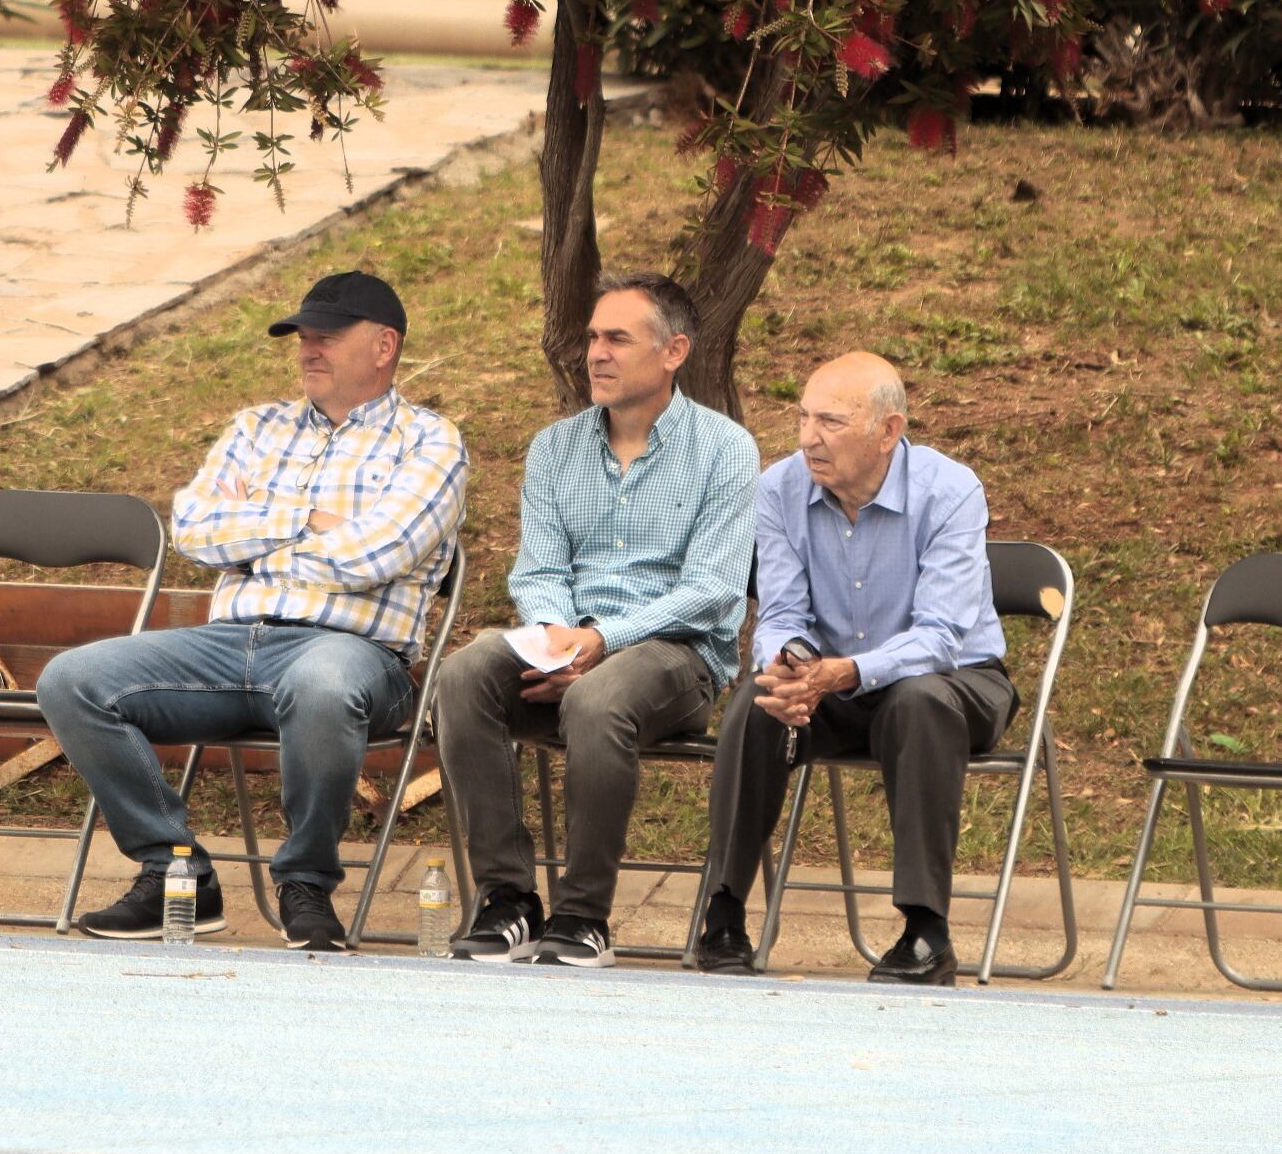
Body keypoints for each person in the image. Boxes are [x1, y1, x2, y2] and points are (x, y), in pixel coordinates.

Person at [36, 271, 467, 948]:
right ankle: (176, 872)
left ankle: (305, 882)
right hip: (228, 643)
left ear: (384, 346)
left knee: (321, 684)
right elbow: (197, 531)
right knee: (73, 680)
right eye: (302, 337)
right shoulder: (256, 427)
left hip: (355, 656)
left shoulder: (430, 442)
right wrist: (310, 520)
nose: (307, 350)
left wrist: (257, 533)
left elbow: (374, 557)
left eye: (327, 336)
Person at [435, 272, 759, 968]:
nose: (596, 354)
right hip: (567, 645)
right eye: (591, 338)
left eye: (617, 338)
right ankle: (507, 899)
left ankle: (583, 914)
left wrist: (602, 644)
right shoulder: (555, 448)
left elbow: (712, 588)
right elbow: (538, 570)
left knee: (598, 696)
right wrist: (557, 641)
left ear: (673, 351)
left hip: (676, 657)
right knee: (463, 675)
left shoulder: (725, 450)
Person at [696, 351, 1018, 984]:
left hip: (958, 682)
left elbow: (943, 635)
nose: (809, 438)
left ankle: (927, 932)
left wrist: (843, 673)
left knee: (917, 701)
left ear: (889, 431)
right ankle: (724, 912)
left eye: (832, 423)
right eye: (803, 418)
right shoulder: (779, 488)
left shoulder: (950, 490)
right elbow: (782, 611)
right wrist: (789, 667)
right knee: (757, 703)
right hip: (832, 685)